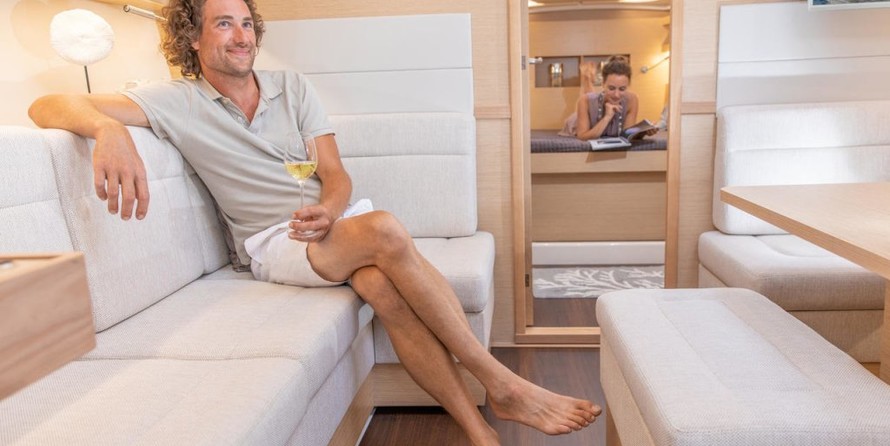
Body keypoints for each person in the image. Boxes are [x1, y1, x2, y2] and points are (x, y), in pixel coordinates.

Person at [27, 0, 601, 444]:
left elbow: (335, 174)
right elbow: (46, 105)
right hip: (275, 239)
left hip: (335, 223)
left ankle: (478, 430)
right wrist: (108, 129)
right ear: (193, 38)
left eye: (247, 24)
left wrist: (329, 208)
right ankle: (500, 382)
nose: (241, 36)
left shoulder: (291, 87)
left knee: (379, 284)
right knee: (385, 228)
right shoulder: (175, 101)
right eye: (223, 24)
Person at [563, 55, 655, 141]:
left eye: (622, 89)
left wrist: (643, 132)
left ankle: (588, 79)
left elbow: (626, 135)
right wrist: (607, 117)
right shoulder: (585, 100)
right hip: (576, 123)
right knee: (589, 98)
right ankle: (587, 79)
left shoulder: (632, 99)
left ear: (628, 85)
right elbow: (583, 136)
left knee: (592, 96)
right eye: (611, 88)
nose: (616, 95)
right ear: (603, 83)